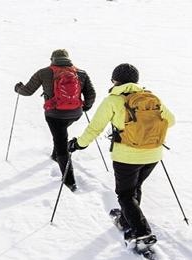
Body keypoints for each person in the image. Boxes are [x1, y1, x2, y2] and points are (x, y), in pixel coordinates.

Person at [68, 63, 174, 242]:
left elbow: (95, 128)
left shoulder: (113, 100)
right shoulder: (150, 97)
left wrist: (78, 144)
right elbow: (170, 121)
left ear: (115, 80)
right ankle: (126, 220)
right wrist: (147, 132)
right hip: (153, 154)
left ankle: (141, 233)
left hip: (127, 156)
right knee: (134, 188)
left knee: (125, 195)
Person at [14, 49, 96, 191]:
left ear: (52, 59)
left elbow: (27, 91)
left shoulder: (44, 72)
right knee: (60, 133)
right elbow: (91, 94)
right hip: (75, 114)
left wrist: (18, 88)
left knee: (61, 143)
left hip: (55, 114)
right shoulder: (81, 73)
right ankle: (55, 155)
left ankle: (69, 181)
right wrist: (85, 108)